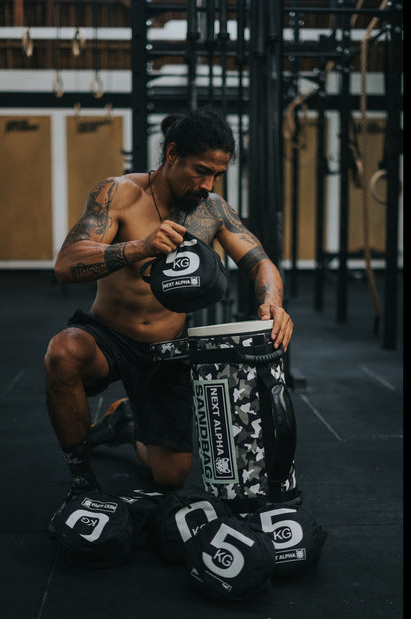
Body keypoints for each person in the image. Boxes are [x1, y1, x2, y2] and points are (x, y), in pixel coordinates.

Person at [44, 106, 294, 524]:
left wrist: (273, 303)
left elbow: (261, 263)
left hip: (167, 348)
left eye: (217, 175)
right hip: (108, 337)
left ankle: (125, 421)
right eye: (201, 171)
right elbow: (66, 264)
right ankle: (82, 476)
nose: (207, 184)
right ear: (172, 154)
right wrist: (139, 247)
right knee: (62, 352)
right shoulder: (119, 193)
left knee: (171, 476)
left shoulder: (212, 210)